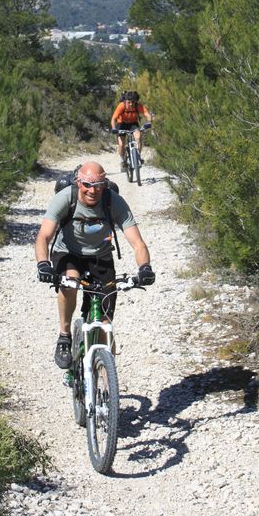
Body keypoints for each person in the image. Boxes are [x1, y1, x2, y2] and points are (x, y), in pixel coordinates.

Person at [34, 161, 155, 369]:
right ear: (78, 182)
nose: (93, 190)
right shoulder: (65, 198)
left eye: (98, 185)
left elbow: (137, 242)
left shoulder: (113, 201)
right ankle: (64, 336)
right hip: (68, 253)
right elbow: (43, 236)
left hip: (101, 257)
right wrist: (44, 264)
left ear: (105, 184)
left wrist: (145, 267)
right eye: (87, 185)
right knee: (69, 282)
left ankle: (106, 380)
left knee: (105, 326)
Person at [110, 90, 153, 171]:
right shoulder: (121, 106)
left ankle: (138, 157)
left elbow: (147, 114)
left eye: (133, 102)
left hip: (133, 124)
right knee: (121, 144)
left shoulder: (137, 105)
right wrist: (113, 128)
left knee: (138, 138)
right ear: (126, 101)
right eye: (129, 102)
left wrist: (149, 122)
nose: (131, 104)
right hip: (121, 124)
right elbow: (113, 119)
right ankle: (123, 161)